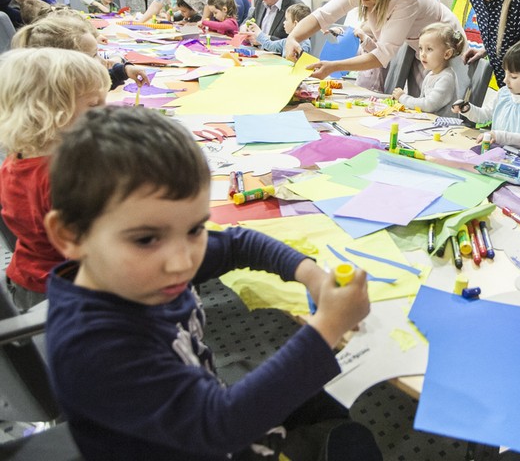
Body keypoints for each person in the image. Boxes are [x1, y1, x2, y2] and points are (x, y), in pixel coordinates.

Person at [42, 106, 382, 461]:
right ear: (70, 236)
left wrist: (310, 274)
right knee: (351, 443)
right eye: (145, 240)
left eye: (195, 229)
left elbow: (239, 244)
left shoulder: (141, 268)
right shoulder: (93, 345)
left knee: (331, 398)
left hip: (201, 412)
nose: (182, 262)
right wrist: (327, 326)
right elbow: (219, 426)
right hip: (210, 433)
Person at [0, 48, 109, 311]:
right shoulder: (64, 176)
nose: (107, 111)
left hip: (29, 278)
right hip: (71, 292)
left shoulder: (18, 158)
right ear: (51, 112)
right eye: (94, 105)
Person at [284, 0, 462, 93]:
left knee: (438, 101)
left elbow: (381, 55)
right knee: (421, 100)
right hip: (420, 44)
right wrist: (294, 37)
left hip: (447, 45)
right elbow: (323, 15)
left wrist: (332, 66)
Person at [452, 39, 520, 147]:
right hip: (494, 152)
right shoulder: (504, 93)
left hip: (516, 159)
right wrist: (467, 108)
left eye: (513, 77)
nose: (505, 80)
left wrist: (498, 136)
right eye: (505, 74)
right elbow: (484, 115)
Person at [12, 12, 148, 89]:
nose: (104, 61)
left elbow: (93, 81)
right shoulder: (59, 108)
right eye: (94, 55)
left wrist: (123, 71)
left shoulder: (64, 85)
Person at [393, 22, 465, 116]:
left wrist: (403, 98)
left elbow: (429, 105)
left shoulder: (446, 78)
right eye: (420, 48)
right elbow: (421, 102)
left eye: (429, 49)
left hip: (444, 127)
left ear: (447, 54)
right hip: (429, 123)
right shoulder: (431, 75)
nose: (422, 54)